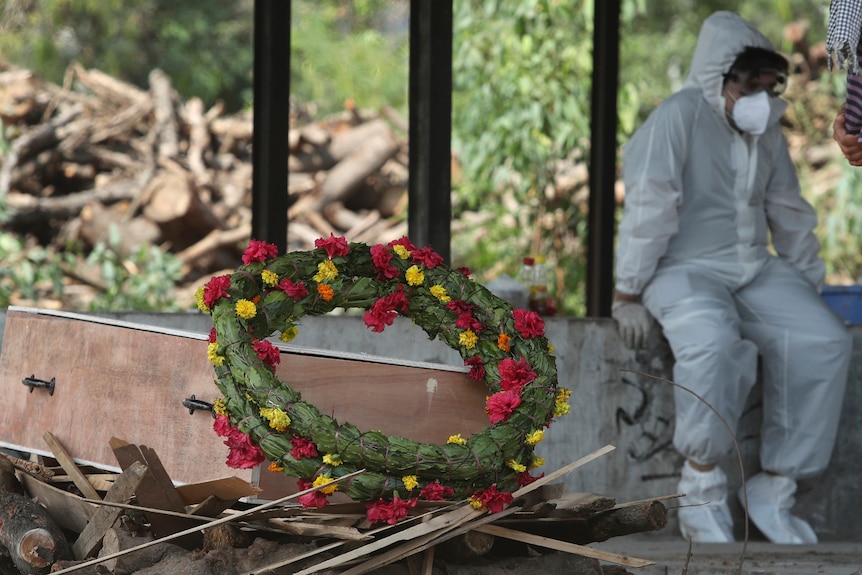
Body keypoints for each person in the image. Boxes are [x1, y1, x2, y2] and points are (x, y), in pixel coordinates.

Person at [612, 11, 852, 544]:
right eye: (749, 84)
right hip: (682, 270)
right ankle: (699, 489)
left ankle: (776, 487)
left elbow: (787, 209)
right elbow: (649, 209)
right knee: (714, 343)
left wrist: (808, 287)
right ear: (716, 76)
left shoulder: (762, 127)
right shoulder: (678, 117)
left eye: (769, 86)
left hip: (752, 267)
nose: (760, 97)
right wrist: (626, 292)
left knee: (824, 340)